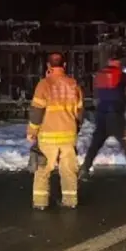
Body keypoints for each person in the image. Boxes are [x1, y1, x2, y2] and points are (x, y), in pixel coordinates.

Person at [27, 52, 84, 210]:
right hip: (68, 136)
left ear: (48, 66)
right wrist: (75, 128)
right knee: (68, 170)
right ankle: (70, 201)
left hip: (48, 137)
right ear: (64, 65)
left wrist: (32, 131)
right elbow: (79, 112)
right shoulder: (73, 84)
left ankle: (40, 203)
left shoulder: (43, 85)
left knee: (43, 170)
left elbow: (37, 111)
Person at [79, 59, 126, 180]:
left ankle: (84, 169)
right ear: (118, 64)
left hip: (101, 114)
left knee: (95, 144)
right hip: (116, 114)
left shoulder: (100, 74)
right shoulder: (120, 75)